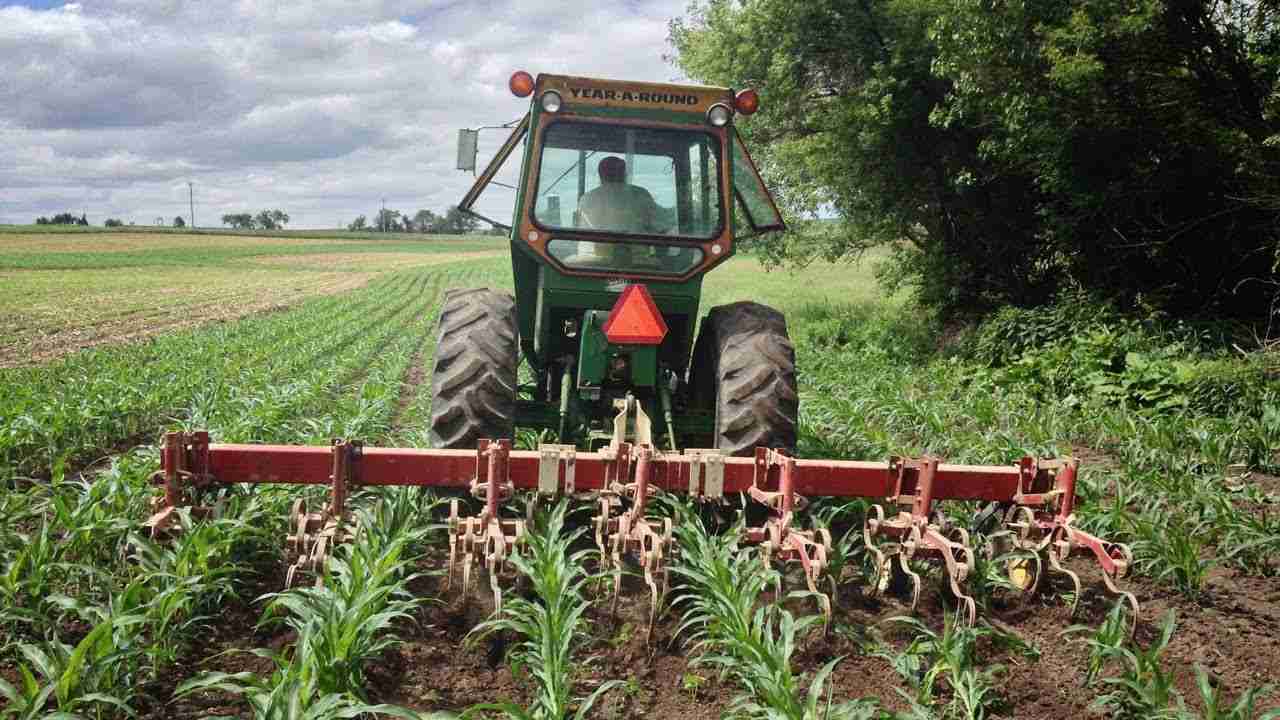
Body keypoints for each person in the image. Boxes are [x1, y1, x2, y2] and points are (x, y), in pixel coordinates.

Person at [576, 156, 666, 234]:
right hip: (634, 253)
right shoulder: (640, 194)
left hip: (588, 253)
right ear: (624, 174)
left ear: (601, 175)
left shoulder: (586, 198)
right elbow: (661, 226)